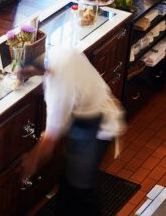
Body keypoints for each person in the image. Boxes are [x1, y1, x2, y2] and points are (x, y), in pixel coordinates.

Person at [20, 46, 126, 216]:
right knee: (69, 181)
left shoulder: (59, 88)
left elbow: (49, 141)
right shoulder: (60, 52)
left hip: (98, 124)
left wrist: (32, 161)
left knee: (81, 188)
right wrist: (29, 71)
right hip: (90, 111)